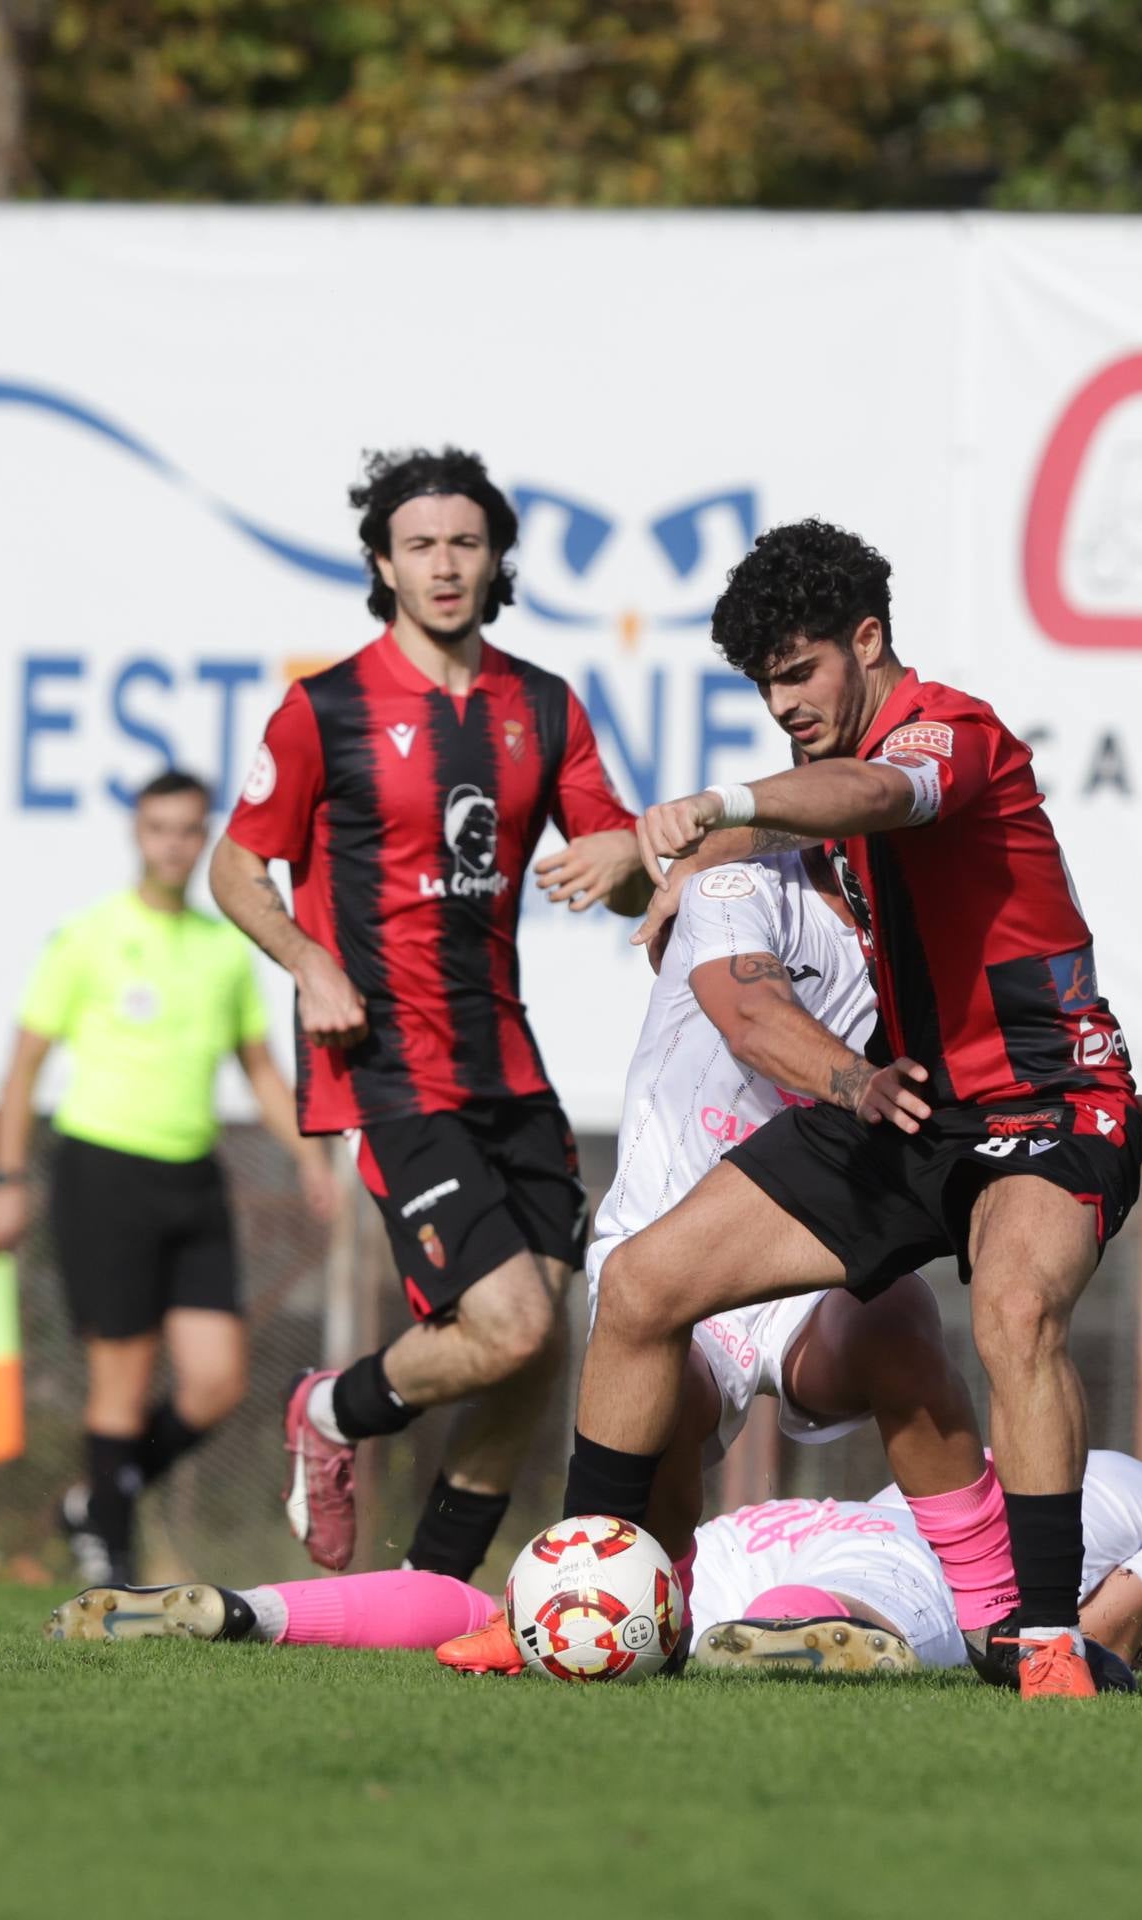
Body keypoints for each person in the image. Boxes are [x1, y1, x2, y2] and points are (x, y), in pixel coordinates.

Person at [555, 519, 1142, 1700]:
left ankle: (1042, 1643)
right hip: (907, 1099)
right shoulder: (797, 816)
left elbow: (869, 791)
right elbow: (796, 815)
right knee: (638, 1289)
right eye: (761, 684)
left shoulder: (948, 733)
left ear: (866, 640)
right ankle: (574, 1585)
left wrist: (718, 803)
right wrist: (683, 859)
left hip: (1045, 1096)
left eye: (797, 672)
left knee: (1013, 1312)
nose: (781, 703)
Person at [414, 835, 1142, 1678]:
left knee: (899, 1323)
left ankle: (996, 1622)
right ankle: (591, 1606)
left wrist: (1104, 1114)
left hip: (807, 1250)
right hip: (684, 1237)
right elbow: (753, 1018)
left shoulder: (931, 944)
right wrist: (854, 1078)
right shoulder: (736, 889)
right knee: (662, 1392)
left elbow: (1004, 1074)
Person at [211, 446, 651, 1583]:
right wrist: (308, 960)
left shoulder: (540, 706)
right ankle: (331, 1412)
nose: (445, 565)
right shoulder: (327, 710)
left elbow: (621, 869)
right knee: (507, 1325)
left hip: (511, 1063)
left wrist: (636, 863)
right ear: (383, 564)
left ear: (497, 558)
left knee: (537, 1355)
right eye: (421, 546)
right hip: (392, 1066)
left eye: (465, 542)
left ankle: (432, 1592)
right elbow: (235, 867)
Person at [0, 768, 337, 1586]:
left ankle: (99, 1498)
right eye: (158, 829)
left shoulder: (221, 949)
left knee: (217, 1381)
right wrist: (6, 1179)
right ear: (137, 835)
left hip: (192, 1176)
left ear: (202, 837)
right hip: (103, 1169)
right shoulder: (90, 937)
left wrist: (311, 1154)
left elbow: (260, 1069)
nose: (173, 845)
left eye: (187, 831)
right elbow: (22, 1068)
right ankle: (112, 1554)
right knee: (123, 1373)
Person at [45, 1450, 1142, 1682]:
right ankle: (787, 1639)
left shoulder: (1056, 1453)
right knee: (875, 1612)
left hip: (750, 1533)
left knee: (514, 1609)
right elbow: (1097, 1626)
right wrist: (1125, 1655)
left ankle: (247, 1609)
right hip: (883, 1553)